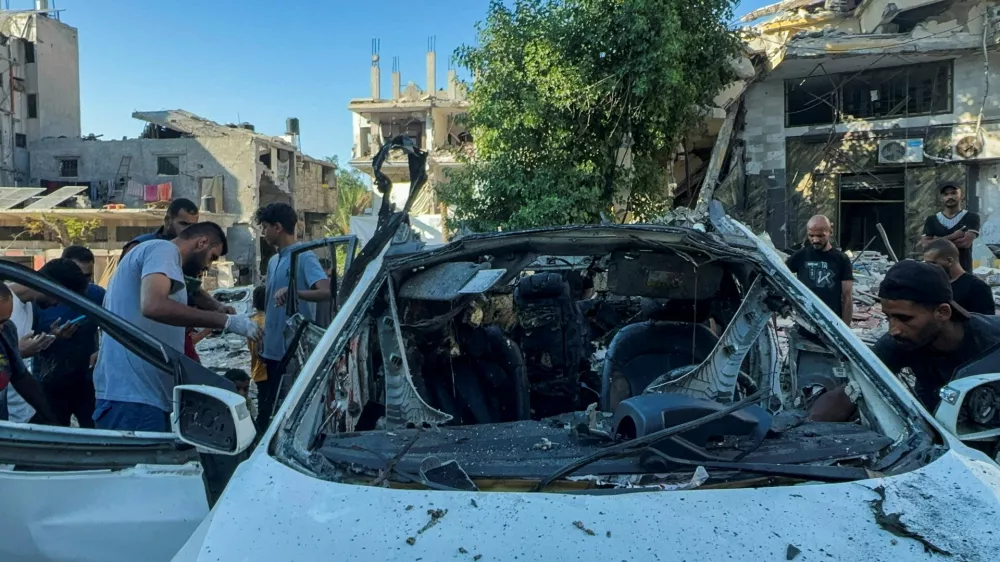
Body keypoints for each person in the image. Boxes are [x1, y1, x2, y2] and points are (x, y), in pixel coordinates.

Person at [92, 222, 260, 432]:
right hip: (134, 399)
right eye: (212, 257)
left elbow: (191, 289)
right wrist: (224, 321)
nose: (208, 266)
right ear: (202, 242)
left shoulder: (163, 260)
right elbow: (154, 306)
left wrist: (217, 306)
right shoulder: (162, 250)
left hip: (145, 396)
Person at [810, 260, 1000, 422]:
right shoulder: (899, 343)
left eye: (905, 318)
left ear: (942, 312)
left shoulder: (992, 343)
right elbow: (850, 392)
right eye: (888, 317)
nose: (894, 330)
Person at [255, 203, 331, 431]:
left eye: (265, 227)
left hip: (293, 353)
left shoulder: (304, 257)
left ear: (278, 227)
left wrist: (295, 293)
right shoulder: (273, 260)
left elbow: (326, 291)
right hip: (270, 349)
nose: (263, 233)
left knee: (289, 415)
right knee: (268, 411)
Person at [30, 258, 100, 427]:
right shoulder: (34, 303)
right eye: (79, 276)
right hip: (50, 382)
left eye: (87, 276)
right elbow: (22, 346)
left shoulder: (97, 294)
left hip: (87, 380)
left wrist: (102, 351)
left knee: (93, 432)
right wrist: (53, 338)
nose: (82, 282)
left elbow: (113, 326)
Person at [0, 283, 57, 424]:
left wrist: (51, 421)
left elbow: (22, 379)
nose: (1, 328)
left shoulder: (7, 332)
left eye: (4, 321)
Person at [786, 215, 854, 324]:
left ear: (830, 232)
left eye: (820, 236)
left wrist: (846, 329)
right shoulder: (800, 256)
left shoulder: (841, 259)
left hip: (831, 323)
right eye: (811, 235)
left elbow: (847, 297)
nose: (815, 240)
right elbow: (780, 277)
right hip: (805, 322)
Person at [922, 238, 995, 315]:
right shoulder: (932, 284)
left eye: (932, 263)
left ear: (949, 261)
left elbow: (984, 324)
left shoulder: (977, 288)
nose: (929, 267)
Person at [922, 183, 980, 273]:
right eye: (946, 194)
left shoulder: (971, 217)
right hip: (937, 272)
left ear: (961, 196)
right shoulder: (932, 220)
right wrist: (953, 236)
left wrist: (936, 242)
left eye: (954, 193)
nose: (950, 197)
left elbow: (964, 243)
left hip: (962, 271)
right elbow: (925, 245)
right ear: (942, 198)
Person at [121, 198, 200, 257]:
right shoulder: (140, 246)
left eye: (193, 226)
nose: (189, 230)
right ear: (168, 221)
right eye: (184, 224)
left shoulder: (192, 251)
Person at [248, 285, 267, 386]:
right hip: (266, 372)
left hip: (256, 371)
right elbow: (258, 350)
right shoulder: (268, 322)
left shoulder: (251, 321)